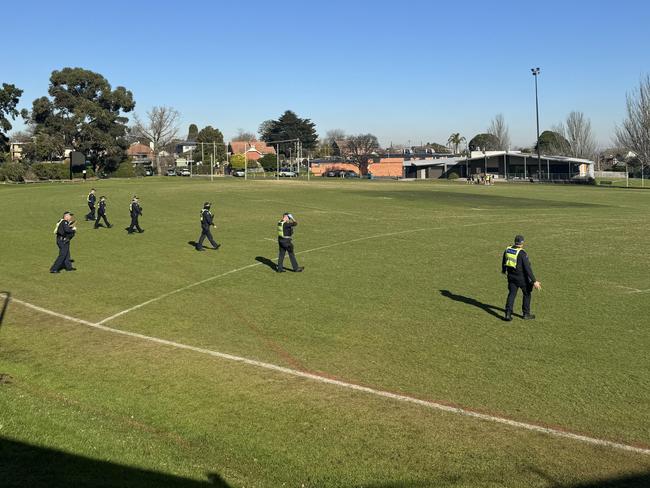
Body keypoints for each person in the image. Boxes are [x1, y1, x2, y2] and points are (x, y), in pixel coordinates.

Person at [501, 235, 541, 321]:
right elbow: (527, 269)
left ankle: (508, 314)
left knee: (511, 294)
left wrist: (504, 270)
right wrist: (534, 281)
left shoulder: (508, 249)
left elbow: (504, 260)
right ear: (522, 243)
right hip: (522, 278)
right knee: (527, 294)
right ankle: (526, 314)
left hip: (511, 277)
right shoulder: (522, 253)